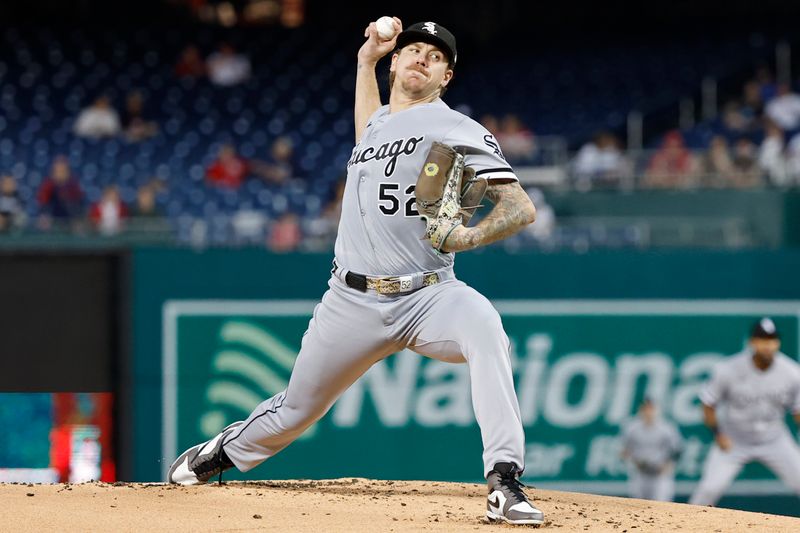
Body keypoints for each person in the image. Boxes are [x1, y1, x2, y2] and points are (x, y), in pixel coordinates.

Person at [168, 17, 543, 527]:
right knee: (296, 411)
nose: (421, 59)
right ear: (396, 63)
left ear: (446, 77)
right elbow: (368, 124)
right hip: (352, 301)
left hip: (430, 294)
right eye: (413, 50)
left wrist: (467, 237)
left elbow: (520, 208)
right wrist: (366, 59)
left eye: (435, 57)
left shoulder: (457, 128)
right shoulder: (379, 125)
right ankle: (222, 452)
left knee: (486, 330)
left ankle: (505, 480)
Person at [689, 318, 800, 506]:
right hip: (735, 440)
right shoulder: (728, 369)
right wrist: (718, 434)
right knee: (708, 490)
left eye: (772, 340)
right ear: (752, 342)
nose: (768, 345)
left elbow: (797, 410)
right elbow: (708, 403)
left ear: (778, 343)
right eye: (762, 340)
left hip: (774, 439)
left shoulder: (792, 372)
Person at [620, 398, 683, 502]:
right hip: (640, 474)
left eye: (651, 409)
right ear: (640, 410)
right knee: (637, 508)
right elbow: (624, 451)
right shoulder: (631, 428)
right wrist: (632, 462)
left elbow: (678, 450)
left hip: (660, 475)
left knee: (661, 507)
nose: (648, 412)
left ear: (657, 410)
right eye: (645, 409)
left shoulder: (666, 428)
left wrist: (669, 465)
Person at [37, 156, 84, 229]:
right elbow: (43, 204)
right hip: (52, 219)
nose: (60, 173)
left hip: (70, 220)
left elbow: (78, 204)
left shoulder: (73, 185)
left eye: (63, 170)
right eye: (58, 171)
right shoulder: (48, 185)